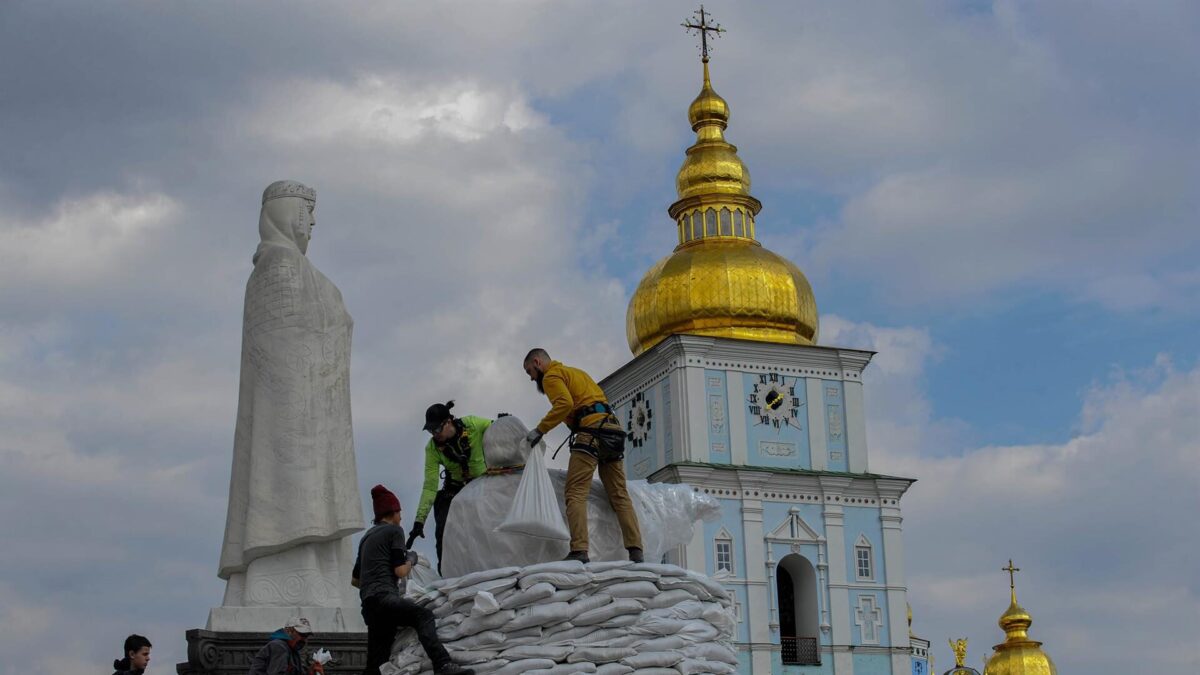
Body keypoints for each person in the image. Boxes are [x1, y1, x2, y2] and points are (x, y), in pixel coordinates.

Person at [218, 180, 363, 611]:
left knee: (317, 503)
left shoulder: (297, 269)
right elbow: (279, 346)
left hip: (316, 411)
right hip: (289, 417)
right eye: (307, 212)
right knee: (291, 495)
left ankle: (318, 579)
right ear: (287, 213)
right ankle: (281, 575)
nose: (313, 222)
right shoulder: (277, 267)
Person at [522, 348, 643, 564]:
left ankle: (579, 550)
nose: (531, 379)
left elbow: (564, 404)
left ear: (538, 363)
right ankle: (636, 551)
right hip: (613, 431)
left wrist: (540, 430)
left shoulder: (551, 376)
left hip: (592, 432)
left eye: (530, 371)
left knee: (575, 492)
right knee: (619, 495)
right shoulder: (576, 373)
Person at [353, 485, 473, 675]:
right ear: (392, 512)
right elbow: (400, 571)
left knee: (377, 659)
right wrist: (411, 559)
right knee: (423, 616)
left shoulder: (366, 538)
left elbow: (355, 580)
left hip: (368, 605)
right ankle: (442, 664)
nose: (401, 517)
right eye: (400, 512)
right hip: (385, 598)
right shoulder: (394, 532)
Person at [408, 401, 491, 573]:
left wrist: (504, 424)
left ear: (448, 422)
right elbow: (430, 486)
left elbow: (498, 429)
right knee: (443, 531)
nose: (434, 434)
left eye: (437, 429)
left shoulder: (473, 425)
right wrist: (419, 521)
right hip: (455, 490)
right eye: (431, 431)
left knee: (486, 527)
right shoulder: (432, 448)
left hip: (482, 485)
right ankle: (445, 574)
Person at [248, 617, 324, 675]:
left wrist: (309, 672)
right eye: (302, 635)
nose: (304, 639)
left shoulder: (292, 650)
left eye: (306, 636)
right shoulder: (279, 646)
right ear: (289, 632)